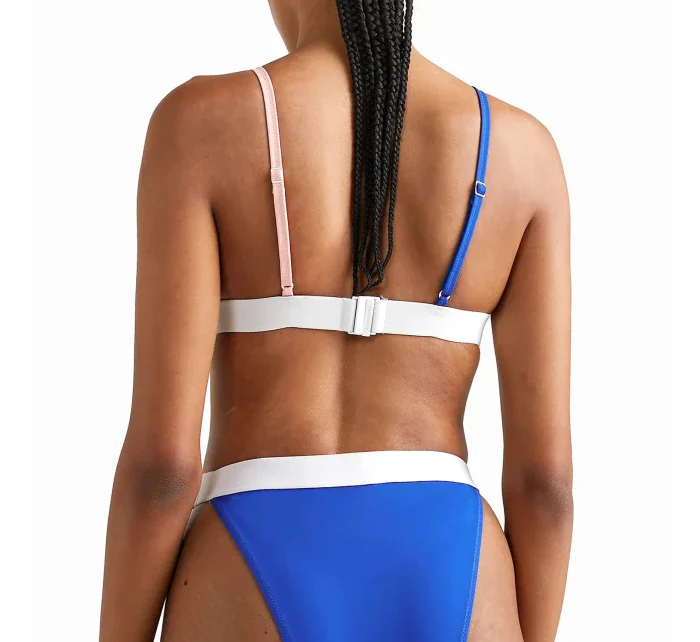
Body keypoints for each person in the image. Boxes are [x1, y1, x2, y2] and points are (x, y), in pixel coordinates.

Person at [100, 1, 572, 640]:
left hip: (247, 553)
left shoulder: (201, 126)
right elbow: (546, 486)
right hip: (449, 560)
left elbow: (162, 471)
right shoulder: (523, 152)